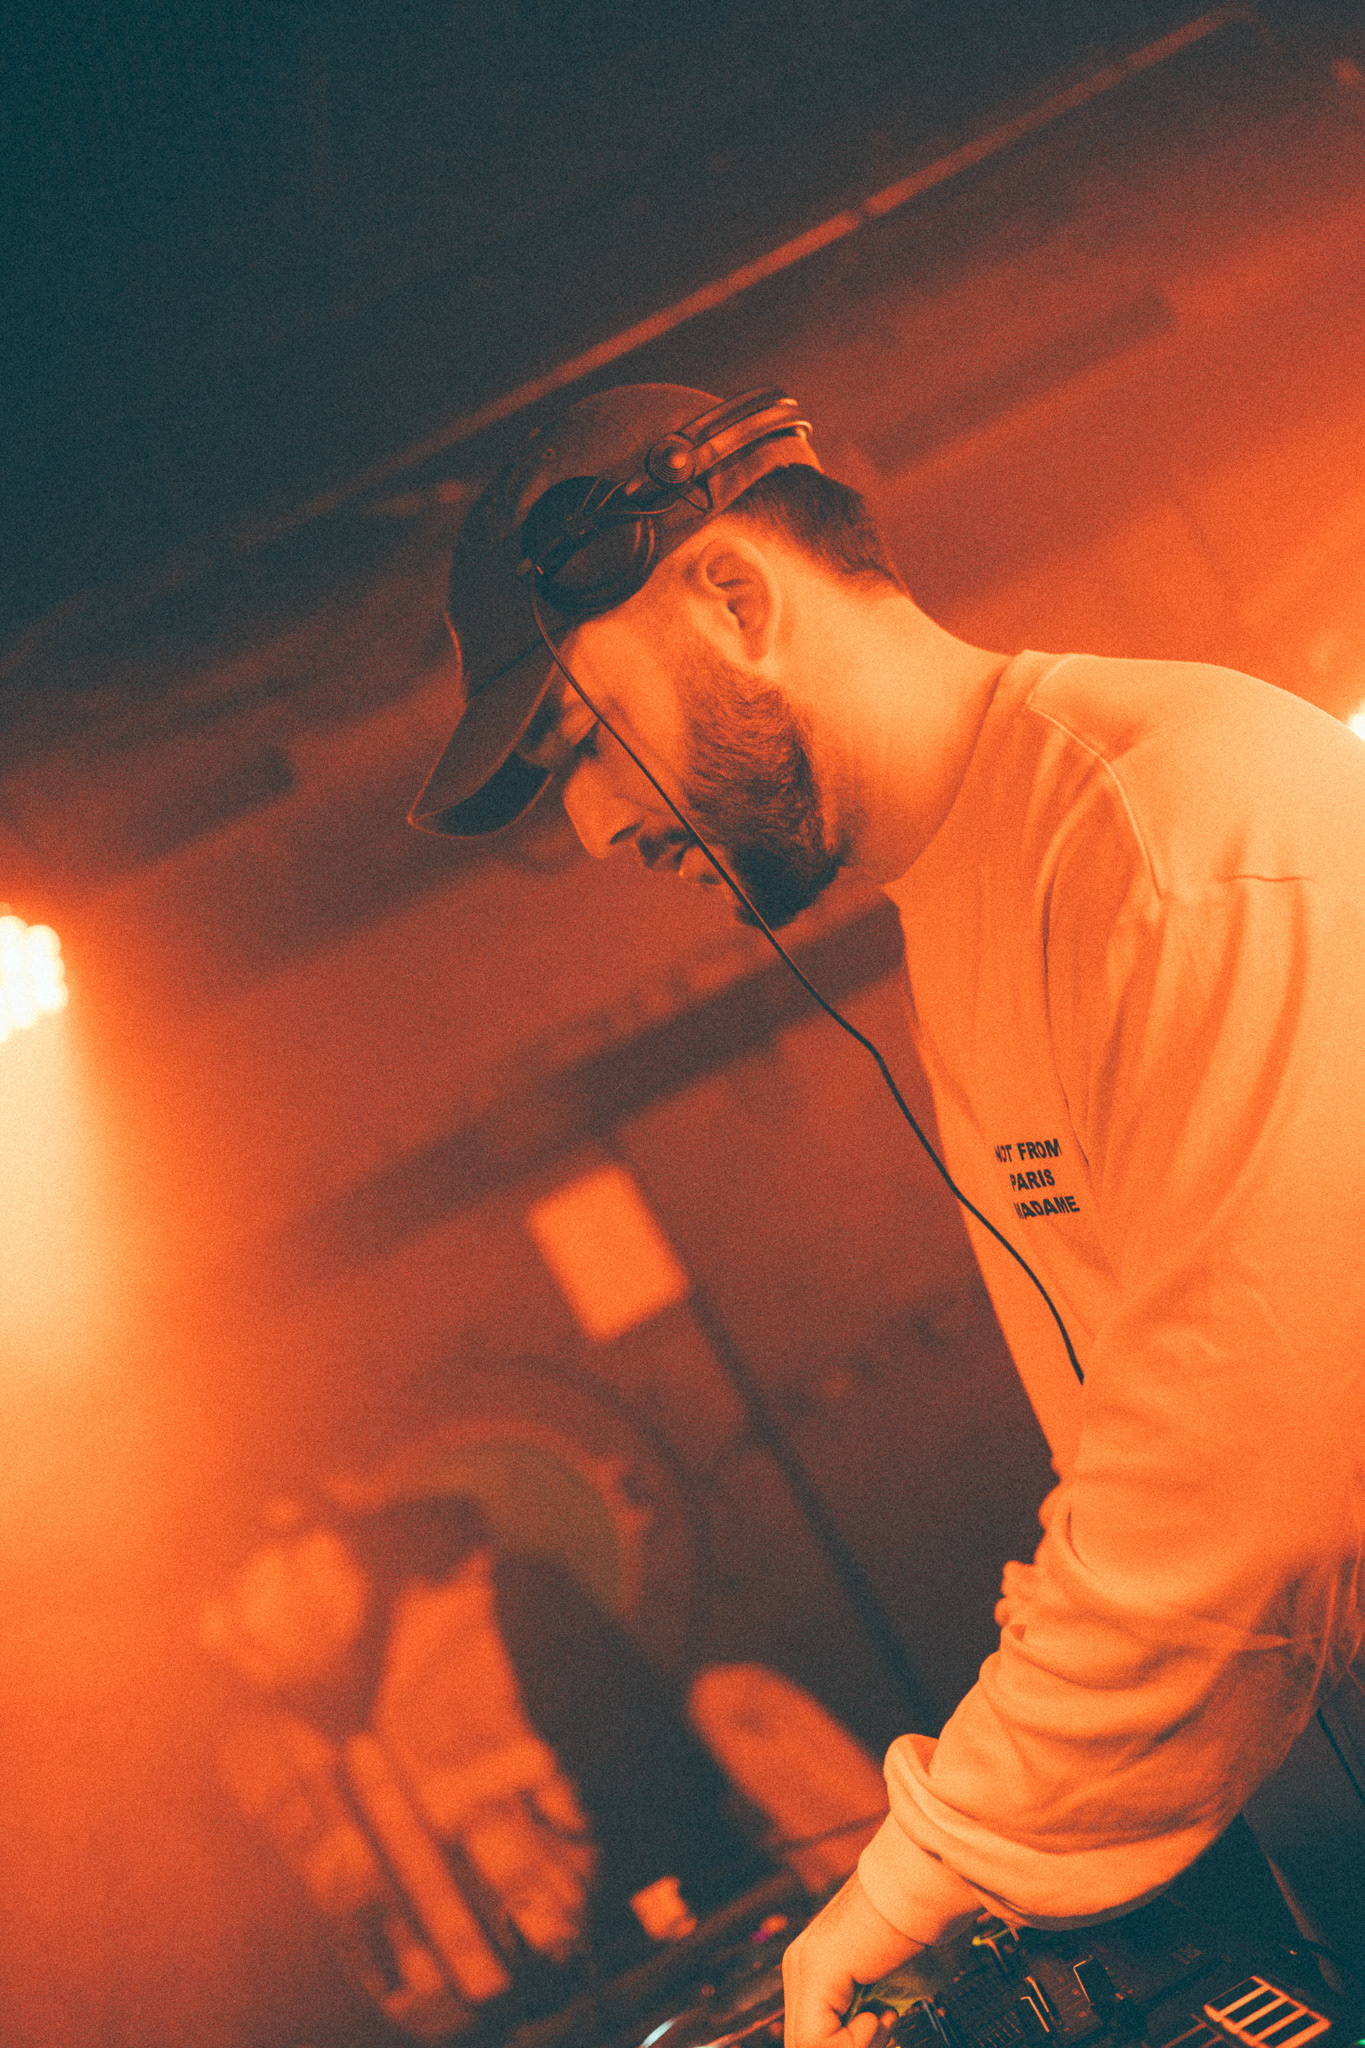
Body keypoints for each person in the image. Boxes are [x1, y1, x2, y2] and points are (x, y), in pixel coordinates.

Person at [408, 385, 1365, 2043]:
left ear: (734, 597)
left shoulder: (1169, 821)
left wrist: (943, 1856)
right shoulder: (973, 897)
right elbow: (1132, 1449)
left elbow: (1227, 1472)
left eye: (583, 737)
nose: (594, 823)